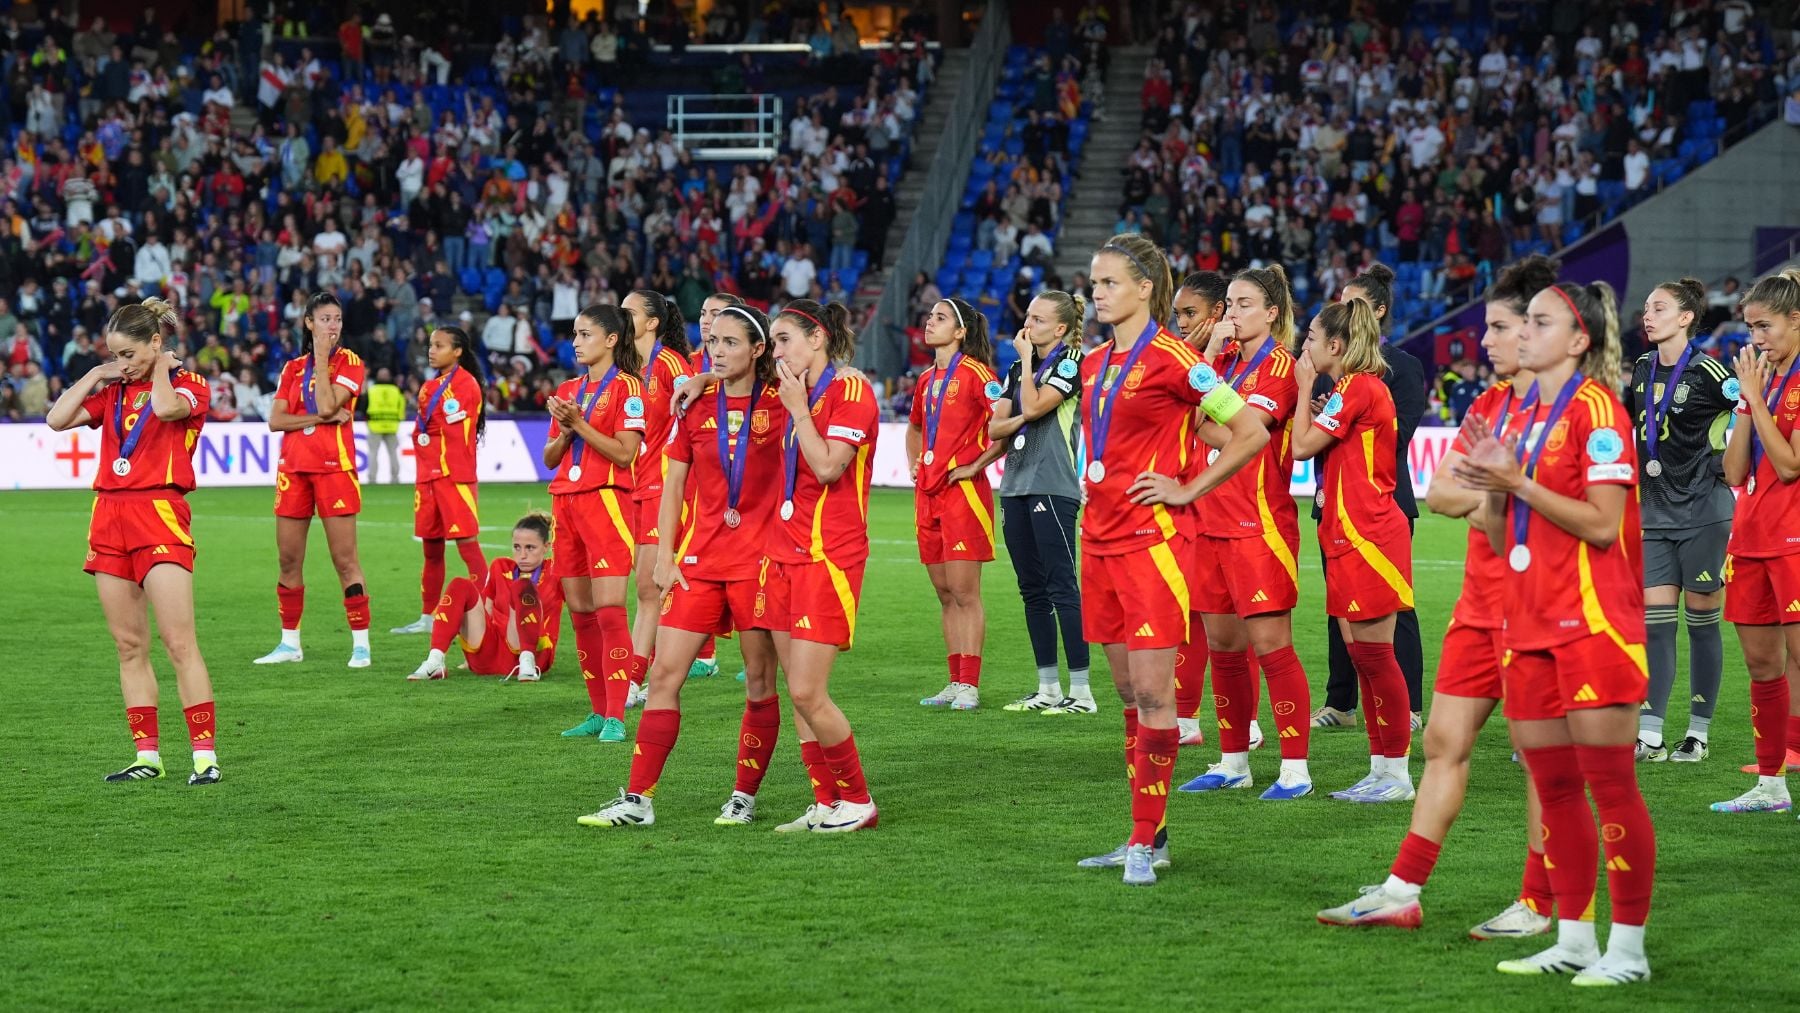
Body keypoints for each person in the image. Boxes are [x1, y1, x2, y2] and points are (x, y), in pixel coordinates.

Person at [1317, 255, 1561, 938]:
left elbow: (1580, 512)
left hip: (1543, 603)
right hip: (1481, 602)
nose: (1484, 341)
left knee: (1543, 759)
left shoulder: (1574, 409)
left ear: (1543, 330)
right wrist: (1500, 491)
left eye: (1501, 327)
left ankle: (1540, 901)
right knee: (1445, 741)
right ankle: (1402, 888)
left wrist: (1499, 493)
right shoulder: (1490, 404)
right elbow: (1444, 490)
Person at [1453, 281, 1656, 985]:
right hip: (1528, 617)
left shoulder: (1599, 412)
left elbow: (1603, 524)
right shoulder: (1521, 414)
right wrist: (1494, 486)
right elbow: (1490, 523)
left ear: (1578, 341)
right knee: (1555, 784)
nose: (1523, 333)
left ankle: (1627, 949)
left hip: (1592, 622)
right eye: (1525, 321)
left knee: (1610, 784)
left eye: (1540, 323)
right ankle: (1574, 938)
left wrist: (1521, 482)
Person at [1072, 233, 1270, 884]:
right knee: (1129, 694)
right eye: (1094, 283)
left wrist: (1187, 486)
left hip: (1152, 546)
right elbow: (1183, 429)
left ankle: (1140, 842)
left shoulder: (1178, 358)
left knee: (1156, 693)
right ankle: (1147, 832)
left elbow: (1249, 432)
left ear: (1144, 288)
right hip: (1098, 541)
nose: (1096, 293)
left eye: (1108, 283)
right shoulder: (1096, 362)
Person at [578, 305, 788, 827]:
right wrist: (666, 555)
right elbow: (673, 487)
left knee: (759, 683)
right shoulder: (694, 404)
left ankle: (743, 796)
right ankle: (637, 799)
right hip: (700, 559)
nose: (716, 351)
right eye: (711, 342)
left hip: (760, 563)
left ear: (758, 350)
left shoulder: (786, 403)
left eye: (730, 343)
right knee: (666, 674)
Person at [45, 298, 221, 785]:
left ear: (157, 343)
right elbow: (57, 420)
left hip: (160, 513)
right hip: (109, 517)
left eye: (128, 354)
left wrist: (160, 368)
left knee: (178, 641)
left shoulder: (188, 385)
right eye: (115, 354)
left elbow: (165, 409)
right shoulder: (113, 391)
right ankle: (148, 757)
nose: (123, 364)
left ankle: (204, 758)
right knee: (127, 645)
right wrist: (98, 374)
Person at [1179, 266, 1315, 801]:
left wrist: (1203, 416)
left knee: (1271, 646)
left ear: (1272, 313)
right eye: (1229, 304)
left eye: (1243, 304)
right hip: (1211, 522)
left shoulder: (1278, 369)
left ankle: (1296, 769)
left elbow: (1242, 435)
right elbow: (1194, 415)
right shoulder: (1226, 364)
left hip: (1259, 525)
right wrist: (1209, 361)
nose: (1230, 313)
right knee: (1224, 648)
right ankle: (1233, 760)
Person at [750, 299, 883, 833]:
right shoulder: (795, 392)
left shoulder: (849, 390)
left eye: (783, 340)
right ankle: (826, 801)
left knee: (808, 691)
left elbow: (828, 467)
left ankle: (859, 801)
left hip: (827, 555)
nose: (776, 353)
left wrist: (800, 410)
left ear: (818, 338)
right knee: (796, 693)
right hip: (785, 551)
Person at [1291, 299, 1416, 802]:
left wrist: (1303, 391)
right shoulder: (1350, 390)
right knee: (1363, 657)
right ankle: (1380, 767)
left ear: (1336, 346)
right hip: (1346, 536)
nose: (1306, 346)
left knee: (1376, 656)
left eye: (1313, 338)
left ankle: (1399, 774)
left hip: (1369, 537)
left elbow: (1301, 447)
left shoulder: (1361, 387)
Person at [1625, 279, 1737, 763]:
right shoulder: (1642, 367)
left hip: (1704, 513)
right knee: (1655, 626)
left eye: (1659, 308)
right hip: (1653, 511)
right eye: (1646, 308)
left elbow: (1752, 415)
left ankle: (1698, 732)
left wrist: (1725, 465)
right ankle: (1650, 734)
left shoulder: (1713, 372)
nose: (1647, 316)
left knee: (1702, 624)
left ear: (1687, 317)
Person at [1312, 264, 1428, 730]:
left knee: (1395, 611)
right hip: (1333, 501)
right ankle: (1341, 704)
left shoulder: (1401, 368)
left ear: (1378, 311)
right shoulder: (1330, 365)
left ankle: (1410, 708)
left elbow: (1394, 437)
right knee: (1339, 606)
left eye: (1353, 304)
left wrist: (1334, 423)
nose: (1343, 312)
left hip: (1384, 500)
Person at [1712, 267, 1800, 812]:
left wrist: (1758, 399)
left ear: (1796, 320)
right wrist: (1747, 403)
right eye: (1750, 329)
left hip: (1795, 539)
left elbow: (1790, 465)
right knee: (1763, 666)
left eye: (1764, 327)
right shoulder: (1761, 382)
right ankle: (1771, 786)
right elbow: (1733, 469)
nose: (1755, 339)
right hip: (1750, 537)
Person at [254, 292, 373, 669]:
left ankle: (361, 644)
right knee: (288, 559)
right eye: (324, 319)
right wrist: (321, 419)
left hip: (334, 469)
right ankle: (290, 644)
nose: (332, 325)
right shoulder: (291, 368)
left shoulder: (351, 363)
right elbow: (277, 421)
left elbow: (324, 402)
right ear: (308, 322)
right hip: (293, 470)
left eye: (336, 318)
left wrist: (321, 361)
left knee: (344, 560)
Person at [1168, 271, 1261, 746]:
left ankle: (1248, 721)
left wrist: (1202, 361)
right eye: (1178, 314)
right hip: (1190, 503)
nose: (1182, 323)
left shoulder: (1231, 363)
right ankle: (1186, 717)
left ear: (1218, 315)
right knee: (1191, 615)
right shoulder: (1183, 360)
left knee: (1237, 624)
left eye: (1192, 314)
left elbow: (1223, 429)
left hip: (1235, 506)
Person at [548, 305, 648, 743]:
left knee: (609, 612)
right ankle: (595, 711)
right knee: (581, 613)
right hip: (565, 503)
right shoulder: (568, 389)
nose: (576, 342)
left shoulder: (629, 388)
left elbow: (625, 454)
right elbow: (549, 457)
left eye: (585, 334)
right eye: (574, 334)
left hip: (607, 501)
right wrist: (567, 429)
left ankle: (616, 716)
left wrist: (579, 423)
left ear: (610, 340)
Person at [987, 290, 1090, 713]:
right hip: (1014, 484)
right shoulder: (1015, 368)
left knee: (1062, 587)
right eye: (1027, 316)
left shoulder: (1071, 364)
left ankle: (1081, 692)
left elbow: (1031, 404)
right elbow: (997, 428)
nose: (1027, 325)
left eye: (1039, 320)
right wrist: (1022, 413)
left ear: (1061, 328)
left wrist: (1028, 370)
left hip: (1053, 483)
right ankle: (1047, 687)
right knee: (1032, 590)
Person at [911, 297, 1001, 711]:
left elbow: (1004, 423)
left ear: (961, 332)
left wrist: (976, 464)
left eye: (940, 318)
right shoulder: (926, 379)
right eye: (930, 317)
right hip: (927, 492)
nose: (930, 323)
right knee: (945, 593)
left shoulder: (978, 374)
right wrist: (915, 460)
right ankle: (953, 680)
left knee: (966, 593)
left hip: (963, 494)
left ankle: (970, 685)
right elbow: (914, 427)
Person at [619, 290, 694, 708]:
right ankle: (647, 675)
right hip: (637, 483)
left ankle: (636, 679)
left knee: (651, 586)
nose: (621, 316)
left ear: (651, 323)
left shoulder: (670, 364)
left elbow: (695, 411)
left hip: (665, 486)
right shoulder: (629, 368)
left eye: (628, 312)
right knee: (649, 587)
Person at [390, 327, 488, 637]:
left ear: (457, 351)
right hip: (428, 478)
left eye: (439, 345)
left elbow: (451, 428)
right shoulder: (429, 387)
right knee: (431, 551)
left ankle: (486, 610)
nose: (431, 350)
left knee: (468, 547)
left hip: (454, 477)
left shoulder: (466, 385)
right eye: (430, 345)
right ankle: (428, 617)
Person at [406, 512, 563, 681]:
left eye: (530, 548)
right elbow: (485, 612)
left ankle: (527, 661)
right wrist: (471, 649)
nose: (522, 555)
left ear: (546, 547)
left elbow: (581, 610)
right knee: (460, 585)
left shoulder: (557, 571)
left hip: (536, 655)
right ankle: (435, 661)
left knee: (522, 586)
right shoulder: (500, 567)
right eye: (517, 547)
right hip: (490, 656)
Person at [684, 290, 747, 681]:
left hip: (740, 481)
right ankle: (703, 652)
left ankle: (760, 652)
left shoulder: (751, 371)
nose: (707, 319)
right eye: (704, 312)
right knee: (696, 563)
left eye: (717, 313)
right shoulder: (690, 364)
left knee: (745, 569)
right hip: (696, 477)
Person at [364, 366, 404, 484]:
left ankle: (372, 479)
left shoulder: (372, 390)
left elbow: (364, 406)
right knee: (393, 453)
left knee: (373, 453)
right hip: (392, 425)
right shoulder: (396, 390)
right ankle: (395, 478)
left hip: (375, 425)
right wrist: (398, 419)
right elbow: (401, 407)